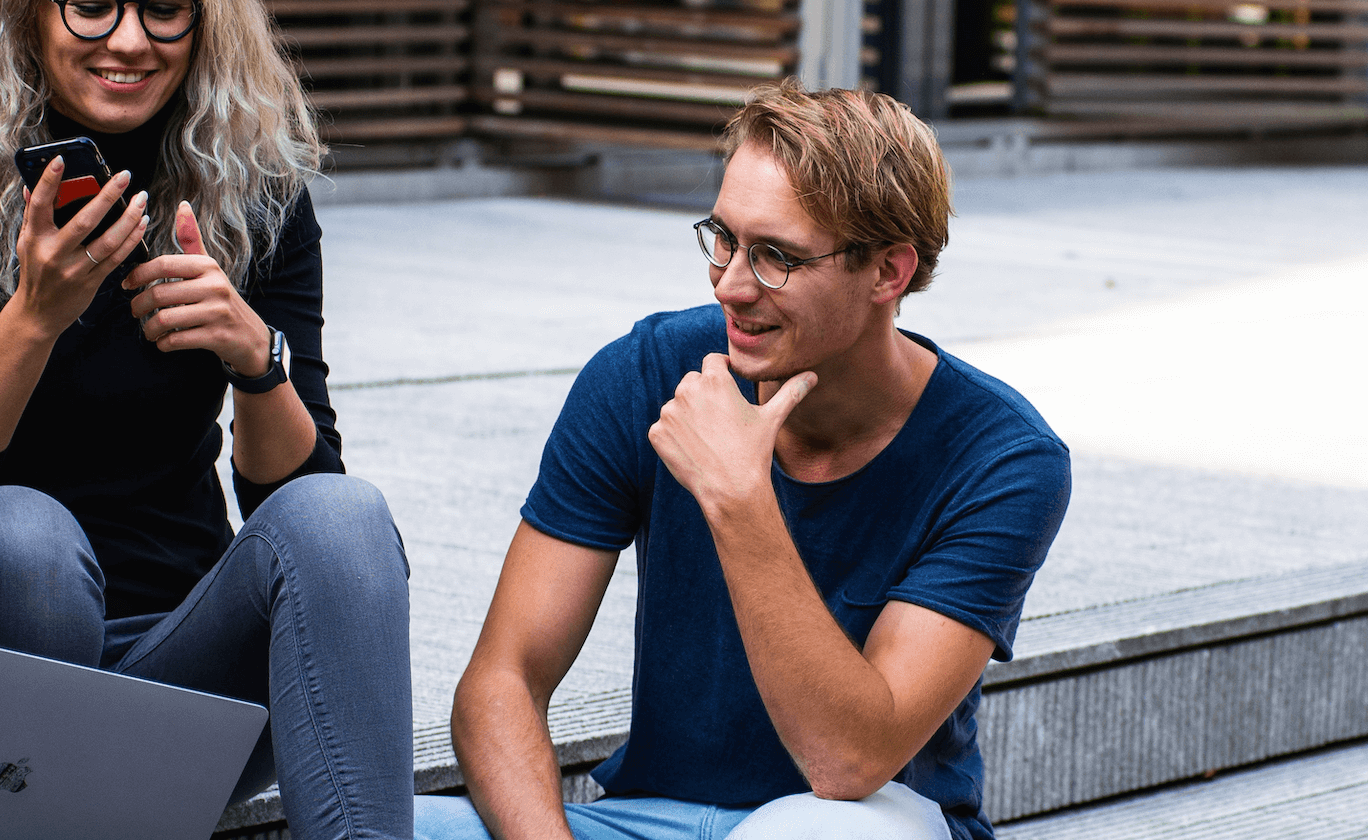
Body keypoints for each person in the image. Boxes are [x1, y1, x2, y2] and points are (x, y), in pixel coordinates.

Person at [0, 0, 412, 840]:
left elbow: (297, 503)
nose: (128, 39)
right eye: (91, 4)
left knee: (345, 519)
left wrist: (252, 354)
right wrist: (33, 317)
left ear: (202, 23)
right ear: (32, 11)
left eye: (163, 8)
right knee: (23, 535)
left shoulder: (254, 197)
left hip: (169, 669)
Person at [417, 82, 1071, 840]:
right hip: (646, 819)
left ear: (889, 272)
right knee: (378, 825)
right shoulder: (644, 373)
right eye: (723, 238)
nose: (729, 283)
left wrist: (738, 495)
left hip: (856, 823)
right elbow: (502, 680)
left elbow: (849, 760)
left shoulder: (1003, 458)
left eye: (775, 257)